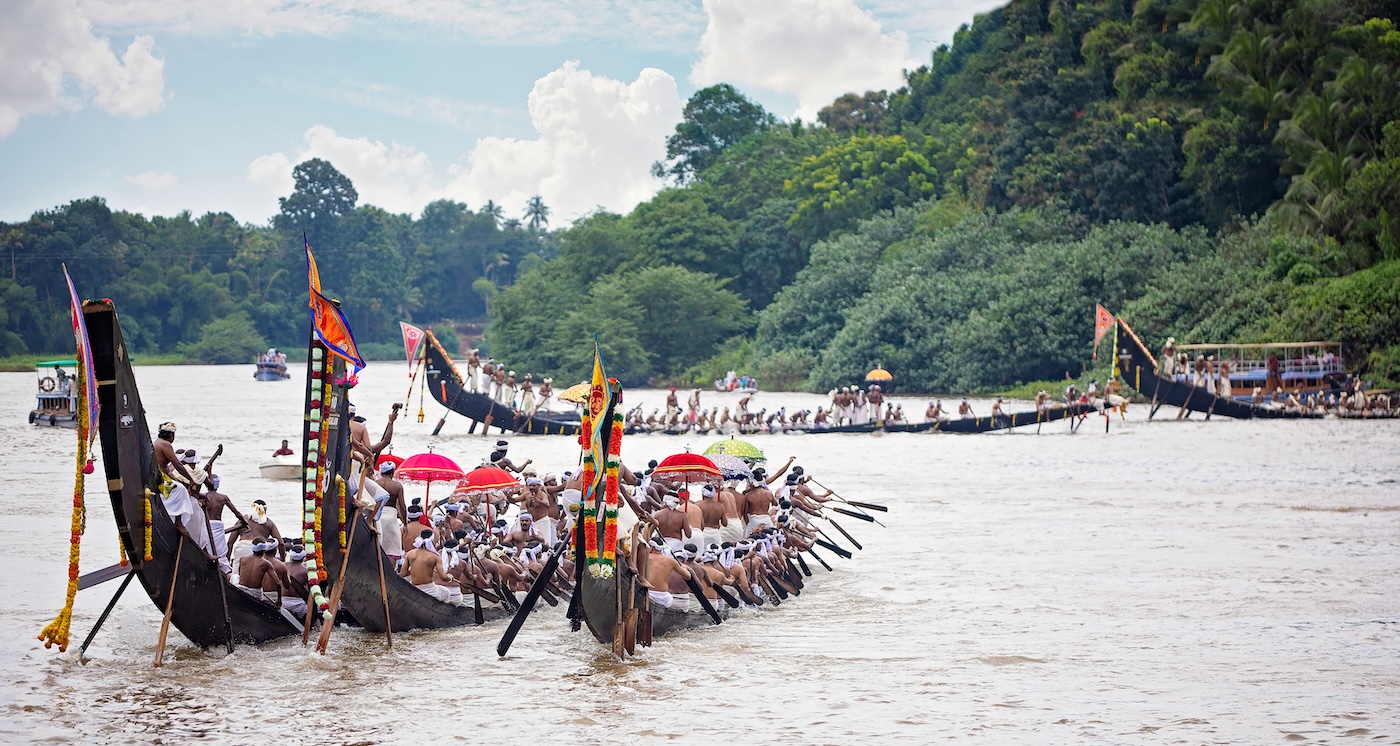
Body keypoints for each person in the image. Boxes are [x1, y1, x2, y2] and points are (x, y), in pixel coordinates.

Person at [152, 422, 216, 561]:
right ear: (171, 435)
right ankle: (179, 523)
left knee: (180, 486)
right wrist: (190, 480)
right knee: (181, 490)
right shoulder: (165, 444)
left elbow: (169, 470)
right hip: (160, 480)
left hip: (160, 477)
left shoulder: (157, 442)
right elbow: (178, 465)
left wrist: (181, 481)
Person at [201, 474, 246, 575]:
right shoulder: (222, 498)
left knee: (207, 548)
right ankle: (223, 572)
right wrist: (244, 521)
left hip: (206, 526)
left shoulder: (203, 496)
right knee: (220, 553)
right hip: (216, 526)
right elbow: (237, 513)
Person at [401, 529, 453, 602]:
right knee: (446, 592)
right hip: (429, 590)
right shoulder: (435, 557)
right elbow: (443, 577)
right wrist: (449, 577)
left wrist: (413, 571)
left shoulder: (410, 554)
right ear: (432, 541)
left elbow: (403, 573)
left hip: (414, 588)